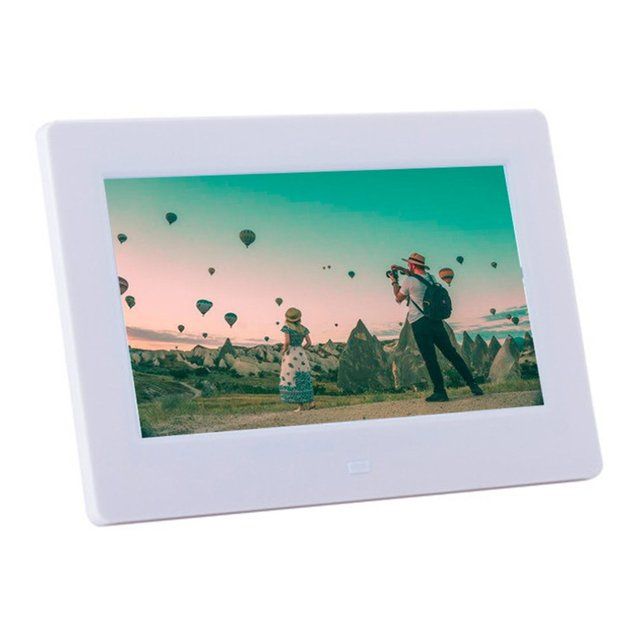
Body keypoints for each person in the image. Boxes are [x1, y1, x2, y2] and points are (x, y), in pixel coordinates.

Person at [390, 252, 483, 402]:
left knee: (430, 358)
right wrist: (402, 269)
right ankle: (473, 385)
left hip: (419, 323)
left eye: (408, 264)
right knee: (451, 354)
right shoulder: (431, 278)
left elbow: (398, 298)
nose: (407, 266)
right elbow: (417, 276)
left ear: (412, 265)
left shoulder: (409, 281)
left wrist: (394, 281)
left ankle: (440, 392)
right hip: (436, 321)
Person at [279, 307, 316, 411]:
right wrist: (301, 349)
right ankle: (311, 402)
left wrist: (283, 350)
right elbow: (309, 343)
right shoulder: (303, 329)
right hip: (300, 354)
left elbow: (287, 342)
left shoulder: (287, 328)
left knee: (293, 378)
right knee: (304, 377)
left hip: (291, 354)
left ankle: (301, 406)